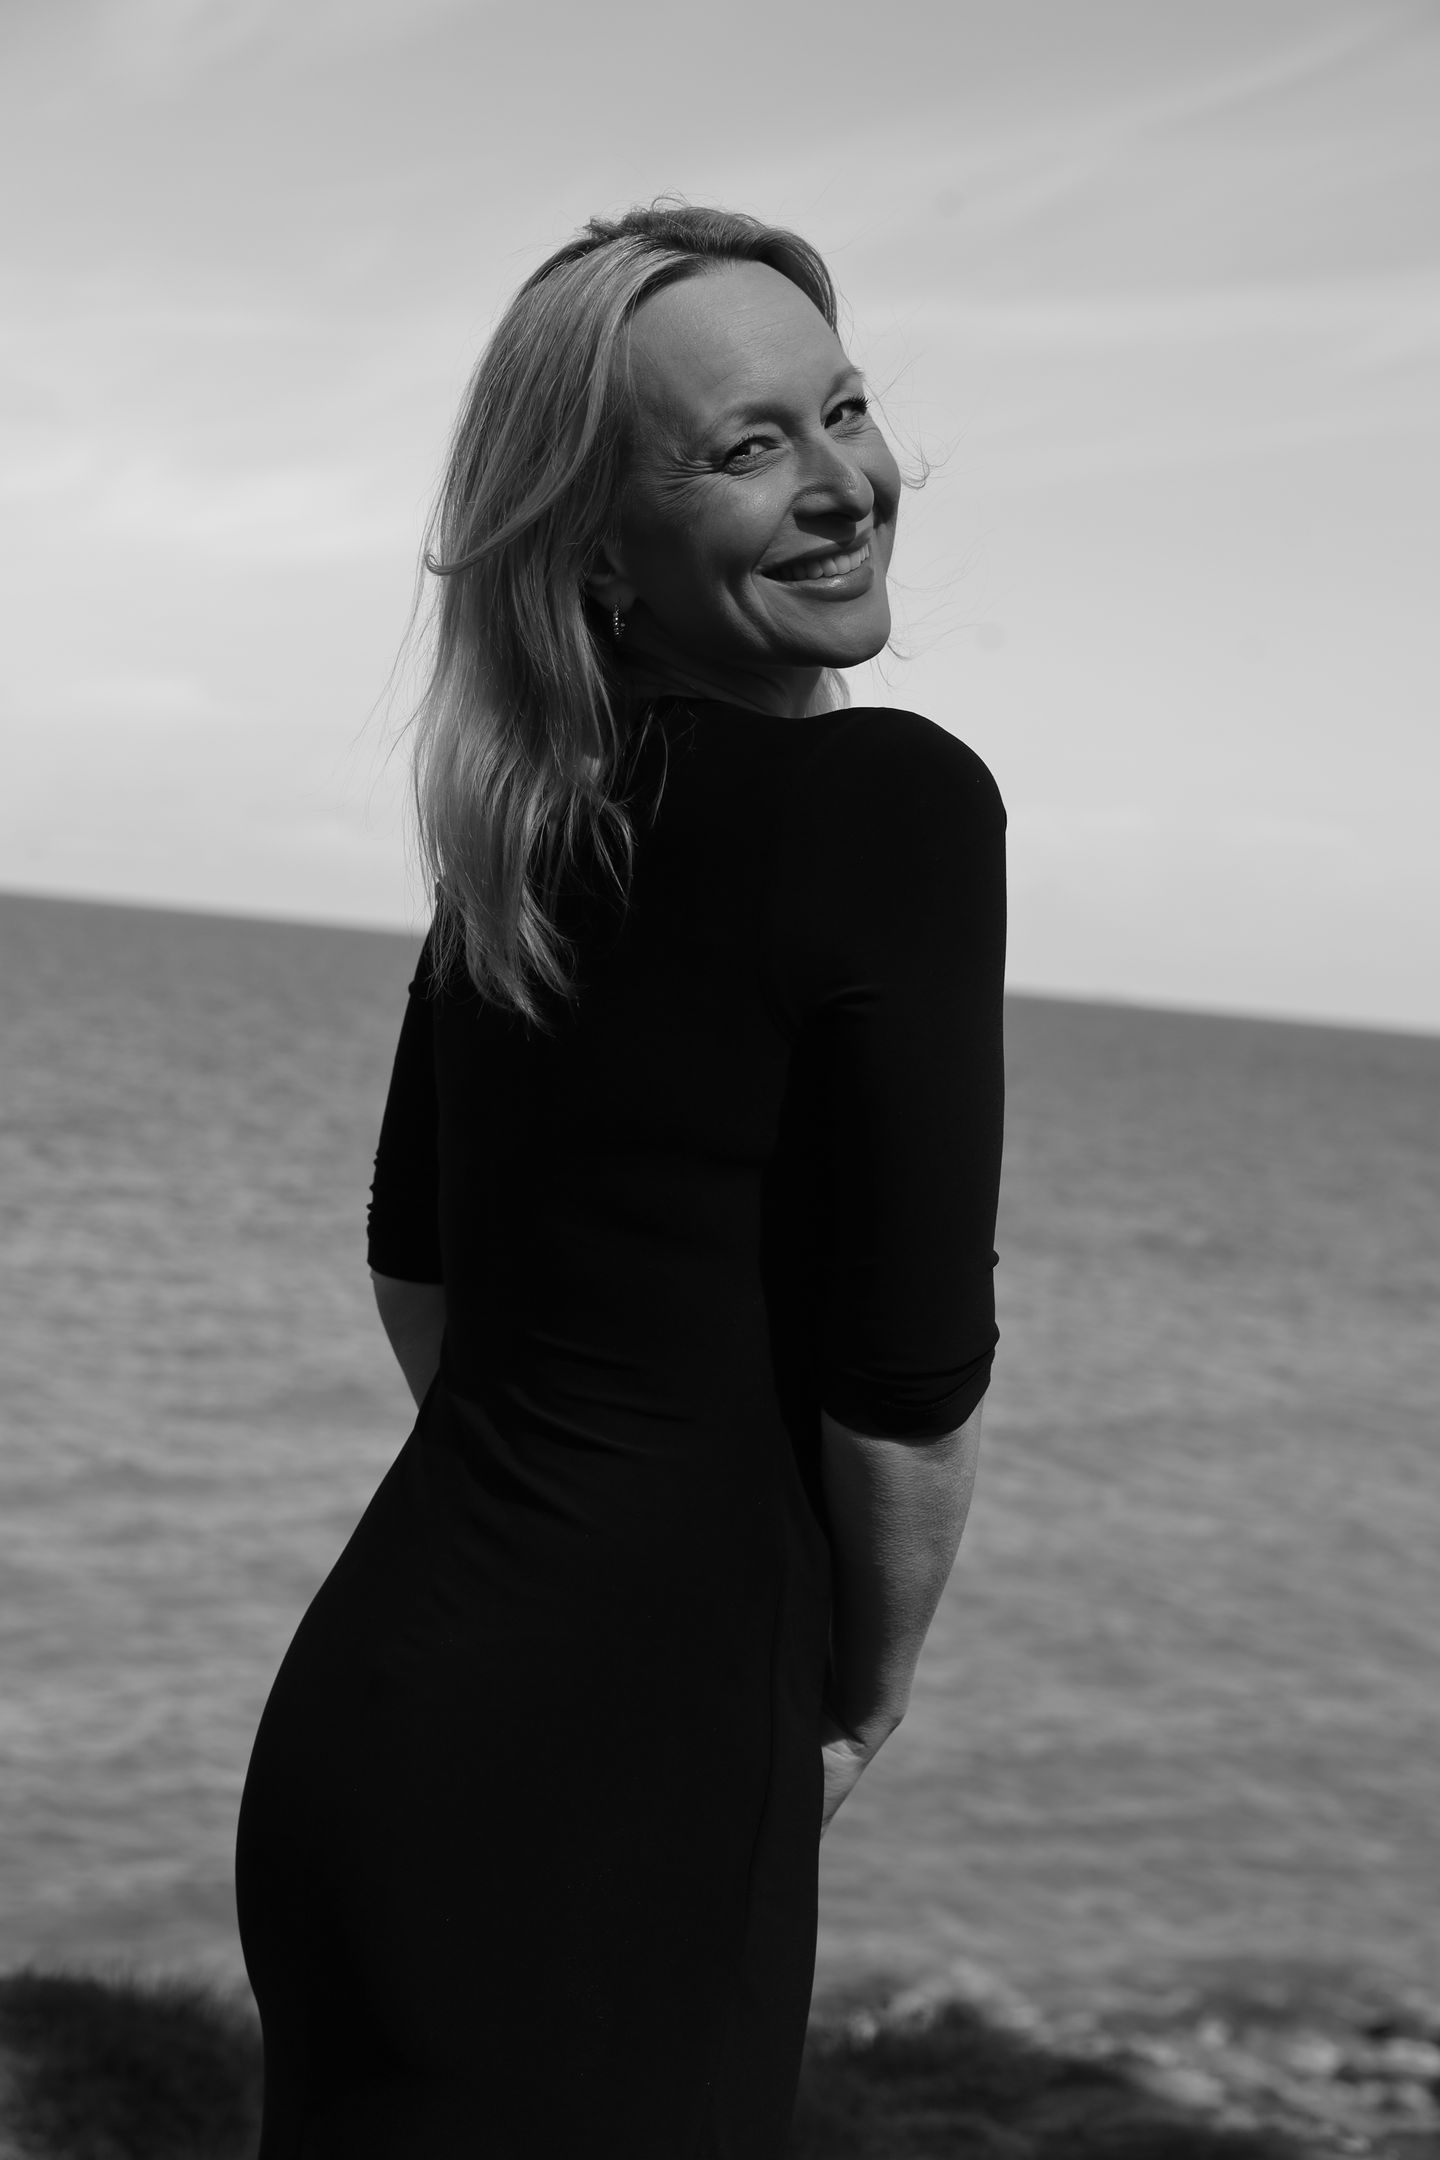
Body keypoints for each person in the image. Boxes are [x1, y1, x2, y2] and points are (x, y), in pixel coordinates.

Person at [234, 201, 1006, 2160]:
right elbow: (907, 1383)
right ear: (594, 551)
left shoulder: (527, 833)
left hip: (381, 1724)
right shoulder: (898, 804)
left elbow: (419, 1278)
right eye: (750, 446)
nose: (844, 484)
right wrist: (856, 1684)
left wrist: (570, 1513)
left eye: (845, 411)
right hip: (614, 1787)